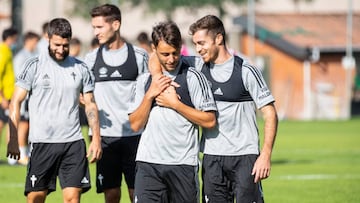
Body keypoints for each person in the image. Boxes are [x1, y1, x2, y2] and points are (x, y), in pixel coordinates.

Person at [151, 15, 278, 203]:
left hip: (245, 158)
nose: (198, 49)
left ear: (218, 39)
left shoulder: (245, 71)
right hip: (212, 158)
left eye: (202, 43)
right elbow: (156, 56)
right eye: (196, 44)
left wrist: (265, 154)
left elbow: (270, 114)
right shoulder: (197, 66)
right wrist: (156, 76)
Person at [6, 18, 102, 203]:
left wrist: (96, 138)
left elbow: (90, 104)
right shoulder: (34, 65)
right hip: (42, 143)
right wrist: (13, 139)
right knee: (35, 199)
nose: (61, 49)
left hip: (73, 143)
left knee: (72, 199)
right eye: (57, 44)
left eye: (65, 45)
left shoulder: (81, 68)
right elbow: (15, 102)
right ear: (47, 38)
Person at [128, 21, 217, 203]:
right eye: (165, 54)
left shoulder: (193, 77)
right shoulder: (145, 80)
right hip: (148, 163)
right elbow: (135, 124)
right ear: (154, 49)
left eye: (175, 53)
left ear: (181, 47)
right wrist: (150, 95)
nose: (171, 59)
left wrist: (175, 104)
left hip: (183, 164)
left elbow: (209, 120)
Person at [84, 4, 148, 203]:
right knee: (111, 195)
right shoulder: (91, 58)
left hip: (135, 137)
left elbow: (148, 94)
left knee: (136, 193)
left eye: (100, 27)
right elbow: (86, 96)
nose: (96, 32)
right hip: (105, 138)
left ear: (116, 24)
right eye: (94, 27)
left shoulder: (139, 56)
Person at [10, 31, 40, 166]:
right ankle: (19, 154)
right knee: (23, 124)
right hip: (23, 95)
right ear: (29, 41)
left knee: (28, 124)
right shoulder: (21, 57)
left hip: (30, 96)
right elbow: (19, 78)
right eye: (35, 41)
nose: (36, 44)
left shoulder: (33, 55)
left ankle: (25, 153)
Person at [0, 27, 18, 161]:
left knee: (6, 124)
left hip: (8, 95)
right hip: (4, 97)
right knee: (6, 124)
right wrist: (2, 98)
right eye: (15, 39)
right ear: (10, 38)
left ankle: (11, 156)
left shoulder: (7, 51)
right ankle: (11, 157)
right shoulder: (3, 51)